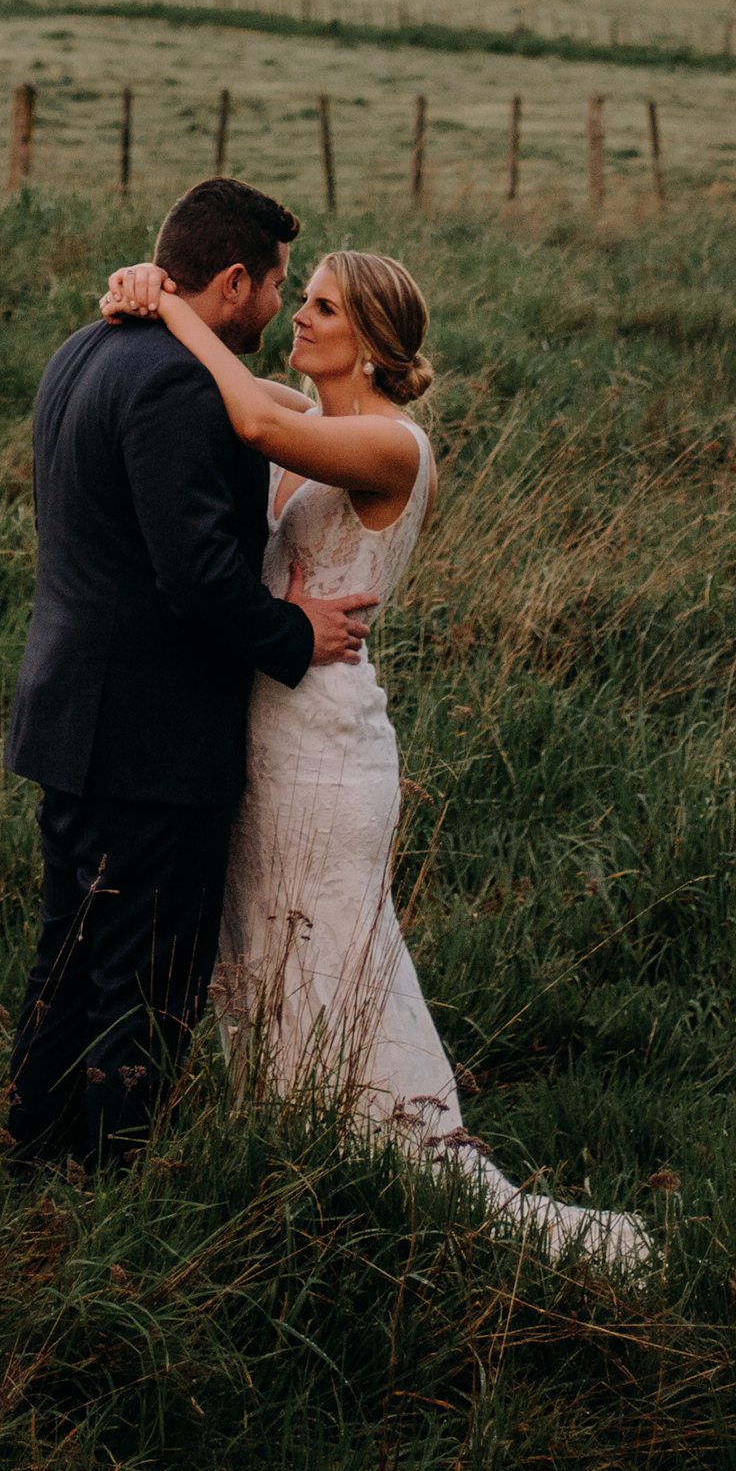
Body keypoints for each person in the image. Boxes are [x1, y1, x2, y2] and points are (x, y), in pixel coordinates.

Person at [96, 237, 650, 1267]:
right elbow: (227, 385)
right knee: (264, 961)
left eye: (324, 308)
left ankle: (411, 1177)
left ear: (375, 340)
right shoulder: (317, 417)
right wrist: (143, 285)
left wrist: (169, 301)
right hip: (260, 736)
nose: (298, 317)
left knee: (333, 960)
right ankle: (296, 1172)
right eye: (299, 299)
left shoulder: (395, 445)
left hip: (324, 748)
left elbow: (248, 413)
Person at [6, 174, 378, 1170]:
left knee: (70, 958)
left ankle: (33, 1163)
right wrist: (295, 633)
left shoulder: (86, 346)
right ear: (232, 280)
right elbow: (198, 575)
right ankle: (111, 1185)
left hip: (74, 720)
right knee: (149, 977)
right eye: (276, 287)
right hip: (149, 738)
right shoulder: (176, 381)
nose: (280, 307)